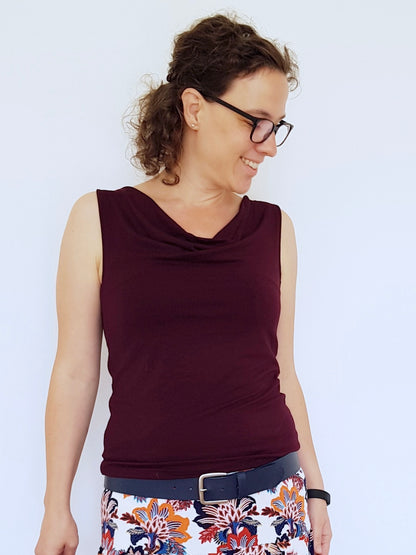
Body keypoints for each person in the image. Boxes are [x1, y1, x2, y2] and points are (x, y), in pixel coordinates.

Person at [35, 13, 332, 555]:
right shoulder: (98, 220)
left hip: (273, 509)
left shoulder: (274, 229)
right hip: (146, 516)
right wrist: (56, 506)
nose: (269, 145)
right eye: (257, 122)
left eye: (277, 126)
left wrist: (315, 490)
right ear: (194, 108)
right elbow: (75, 371)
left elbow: (283, 370)